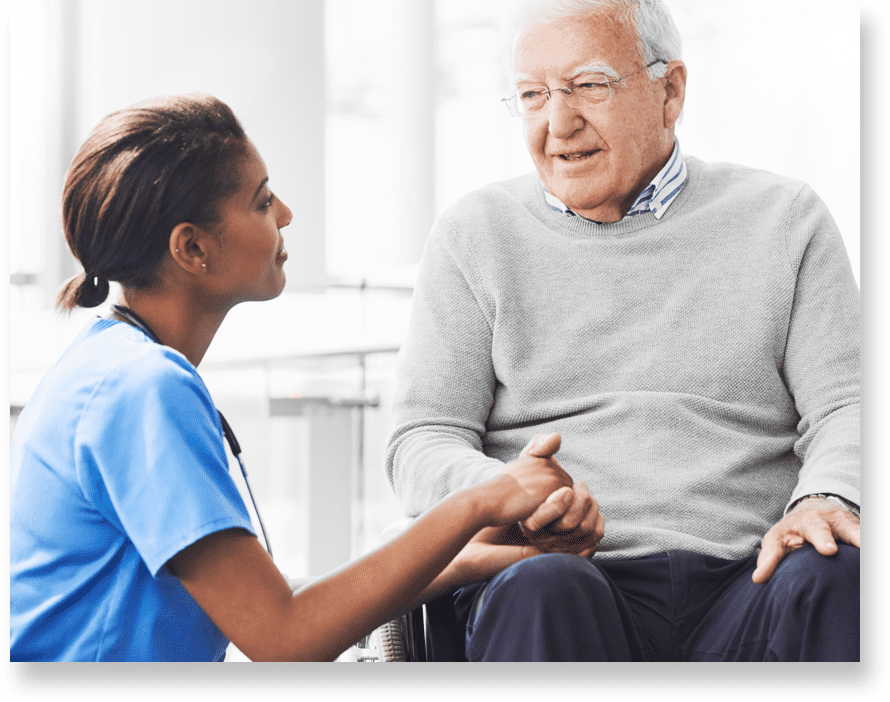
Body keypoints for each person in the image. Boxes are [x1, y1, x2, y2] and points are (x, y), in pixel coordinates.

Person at [9, 93, 582, 662]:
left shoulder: (106, 368)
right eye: (261, 203)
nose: (285, 213)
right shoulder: (141, 390)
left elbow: (267, 605)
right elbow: (285, 638)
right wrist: (483, 499)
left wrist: (461, 557)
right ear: (191, 247)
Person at [384, 0, 859, 661]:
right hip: (565, 575)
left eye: (588, 85)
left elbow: (845, 405)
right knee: (543, 586)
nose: (558, 122)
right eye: (533, 95)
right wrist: (508, 494)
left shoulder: (787, 219)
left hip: (750, 575)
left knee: (836, 569)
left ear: (671, 92)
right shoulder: (475, 234)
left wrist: (826, 497)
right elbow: (421, 438)